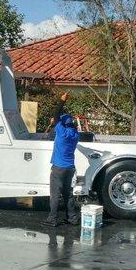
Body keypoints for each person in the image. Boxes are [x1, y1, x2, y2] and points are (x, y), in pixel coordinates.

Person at [43, 92, 80, 227]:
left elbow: (56, 115)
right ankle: (72, 218)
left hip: (58, 168)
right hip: (70, 168)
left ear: (63, 123)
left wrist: (62, 101)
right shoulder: (75, 135)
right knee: (68, 194)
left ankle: (52, 219)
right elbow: (61, 120)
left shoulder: (61, 132)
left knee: (55, 195)